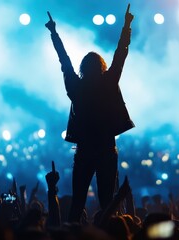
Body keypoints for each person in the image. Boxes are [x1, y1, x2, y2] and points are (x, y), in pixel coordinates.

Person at [45, 4, 135, 222]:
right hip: (106, 148)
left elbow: (64, 61)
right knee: (107, 201)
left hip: (84, 150)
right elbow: (120, 55)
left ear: (83, 68)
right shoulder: (109, 82)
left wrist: (54, 33)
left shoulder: (75, 87)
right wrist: (126, 26)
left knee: (78, 202)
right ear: (101, 67)